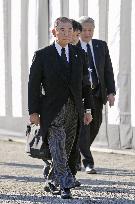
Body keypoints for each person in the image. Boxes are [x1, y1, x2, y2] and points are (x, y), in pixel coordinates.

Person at [28, 17, 93, 199]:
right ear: (54, 32)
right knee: (58, 147)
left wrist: (88, 110)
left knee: (65, 148)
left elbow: (85, 86)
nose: (66, 33)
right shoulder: (42, 55)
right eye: (62, 30)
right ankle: (65, 184)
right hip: (52, 111)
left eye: (69, 30)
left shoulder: (79, 54)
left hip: (74, 110)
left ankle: (51, 181)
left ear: (73, 32)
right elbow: (33, 85)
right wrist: (33, 111)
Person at [77, 16, 116, 174]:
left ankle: (79, 152)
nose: (87, 33)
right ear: (79, 31)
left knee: (95, 124)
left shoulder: (101, 46)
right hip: (81, 95)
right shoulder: (73, 46)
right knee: (84, 128)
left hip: (98, 93)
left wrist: (111, 92)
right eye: (84, 30)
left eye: (90, 30)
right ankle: (88, 162)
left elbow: (108, 70)